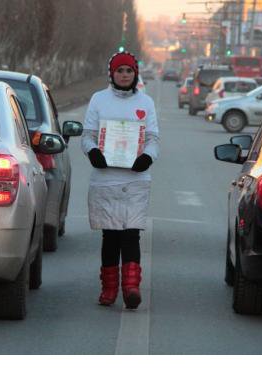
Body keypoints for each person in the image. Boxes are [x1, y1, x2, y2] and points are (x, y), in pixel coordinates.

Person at [82, 51, 160, 310]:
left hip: (136, 180)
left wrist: (147, 157)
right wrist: (92, 151)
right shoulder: (98, 99)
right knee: (111, 236)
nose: (124, 75)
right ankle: (109, 289)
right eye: (120, 71)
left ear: (135, 74)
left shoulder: (146, 102)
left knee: (131, 234)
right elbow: (88, 135)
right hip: (105, 179)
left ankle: (131, 289)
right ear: (112, 74)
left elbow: (153, 138)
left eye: (128, 71)